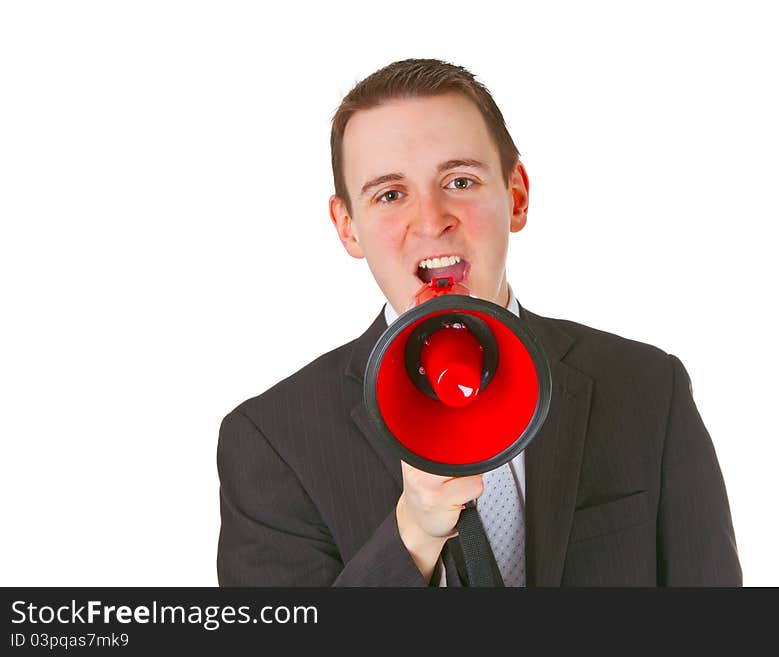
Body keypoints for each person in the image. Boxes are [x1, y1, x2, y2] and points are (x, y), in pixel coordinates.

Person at [216, 58, 742, 587]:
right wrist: (412, 538)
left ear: (516, 195)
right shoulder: (271, 443)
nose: (431, 219)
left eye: (460, 180)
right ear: (347, 227)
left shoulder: (649, 388)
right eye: (390, 194)